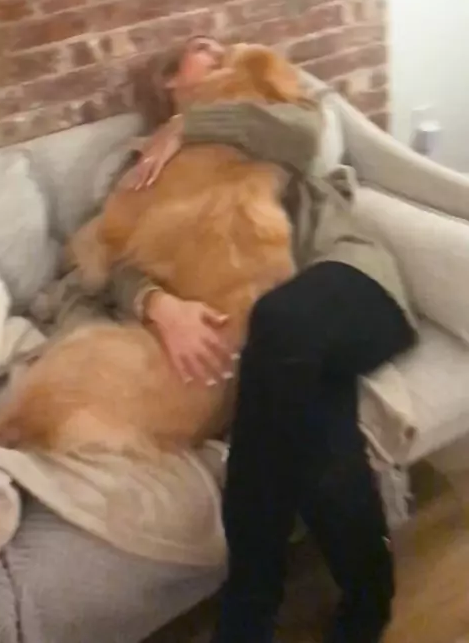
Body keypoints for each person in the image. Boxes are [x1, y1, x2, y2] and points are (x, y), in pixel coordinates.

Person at [55, 37, 416, 643]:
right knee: (319, 427)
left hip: (350, 281)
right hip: (282, 346)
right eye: (202, 50)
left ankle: (250, 603)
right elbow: (116, 256)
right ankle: (368, 594)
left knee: (279, 321)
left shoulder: (268, 114)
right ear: (169, 81)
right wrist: (157, 304)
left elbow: (308, 136)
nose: (222, 53)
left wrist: (193, 124)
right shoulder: (142, 164)